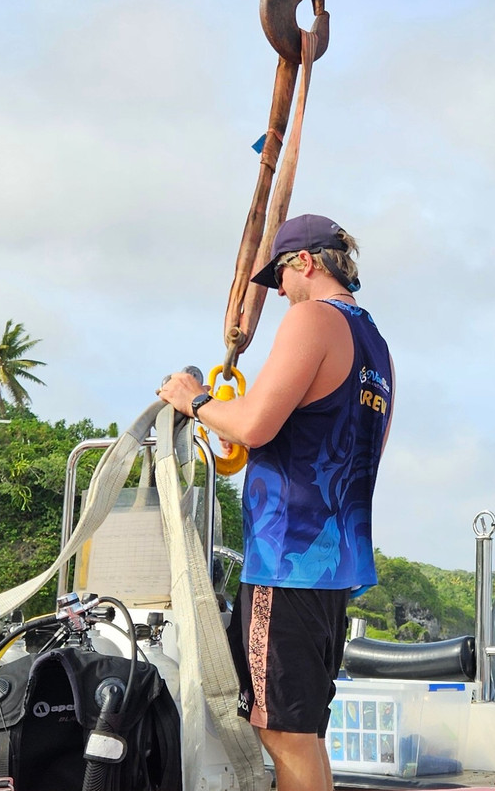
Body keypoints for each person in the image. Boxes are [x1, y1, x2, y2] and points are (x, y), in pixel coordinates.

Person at [158, 214, 394, 791]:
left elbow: (258, 423)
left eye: (280, 278)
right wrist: (236, 424)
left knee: (283, 735)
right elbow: (352, 444)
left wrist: (196, 400)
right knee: (305, 732)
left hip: (286, 561)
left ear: (304, 263)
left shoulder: (311, 318)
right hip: (335, 571)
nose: (279, 293)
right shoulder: (377, 346)